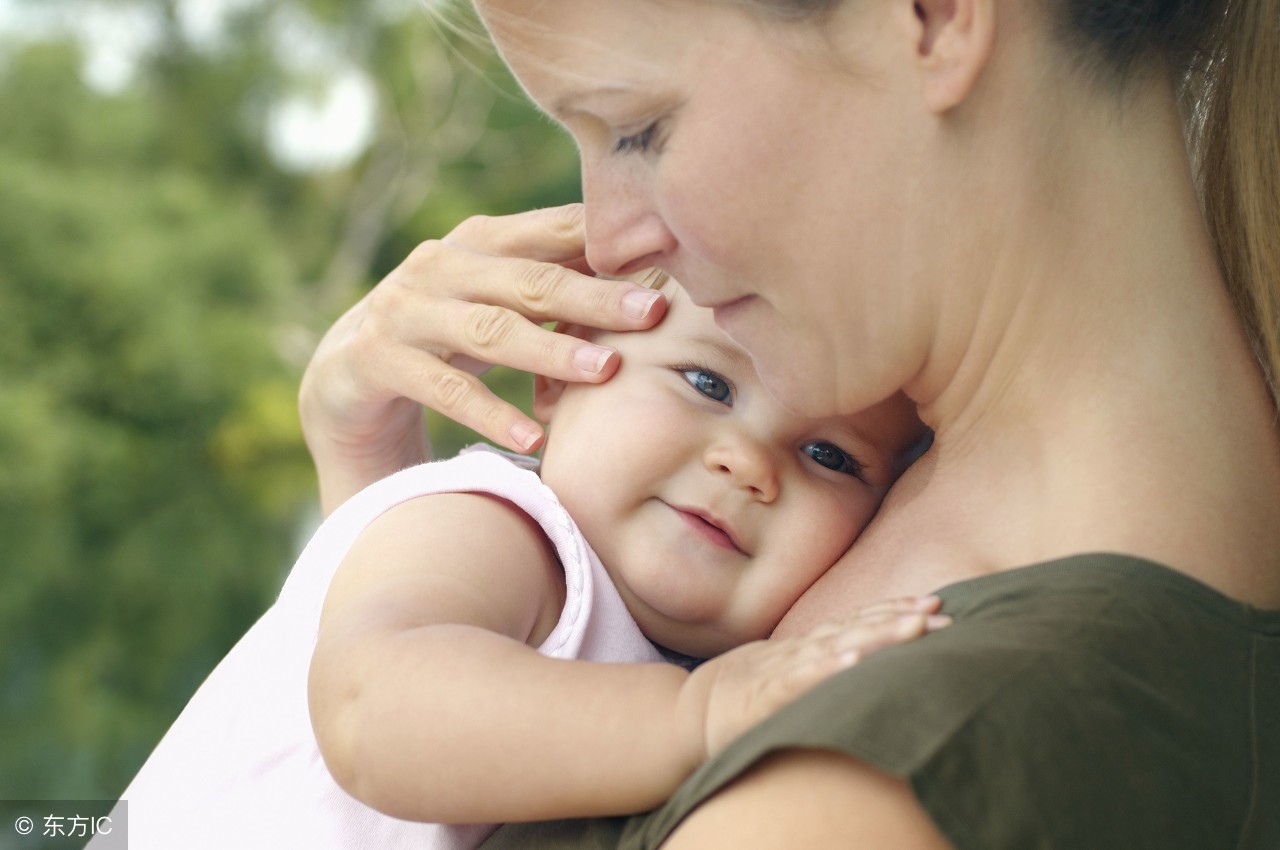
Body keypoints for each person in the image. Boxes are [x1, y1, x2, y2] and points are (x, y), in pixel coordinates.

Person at [295, 0, 1280, 847]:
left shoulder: (886, 771)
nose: (606, 238)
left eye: (638, 128)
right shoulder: (909, 470)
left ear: (932, 17)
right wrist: (372, 475)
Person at [104, 274, 938, 850]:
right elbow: (370, 707)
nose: (748, 463)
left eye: (831, 455)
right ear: (559, 374)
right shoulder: (495, 523)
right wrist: (701, 715)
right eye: (706, 384)